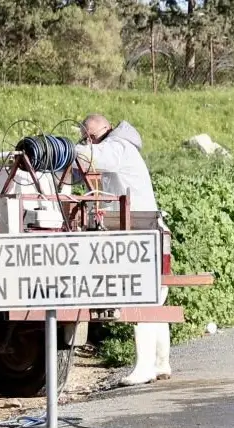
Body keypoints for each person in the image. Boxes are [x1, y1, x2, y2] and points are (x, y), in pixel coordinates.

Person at [75, 114, 172, 387]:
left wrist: (69, 149)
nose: (87, 142)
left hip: (144, 229)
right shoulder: (111, 147)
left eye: (89, 137)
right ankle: (162, 363)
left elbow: (98, 157)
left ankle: (144, 368)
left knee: (145, 298)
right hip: (141, 228)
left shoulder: (118, 147)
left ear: (103, 132)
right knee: (156, 299)